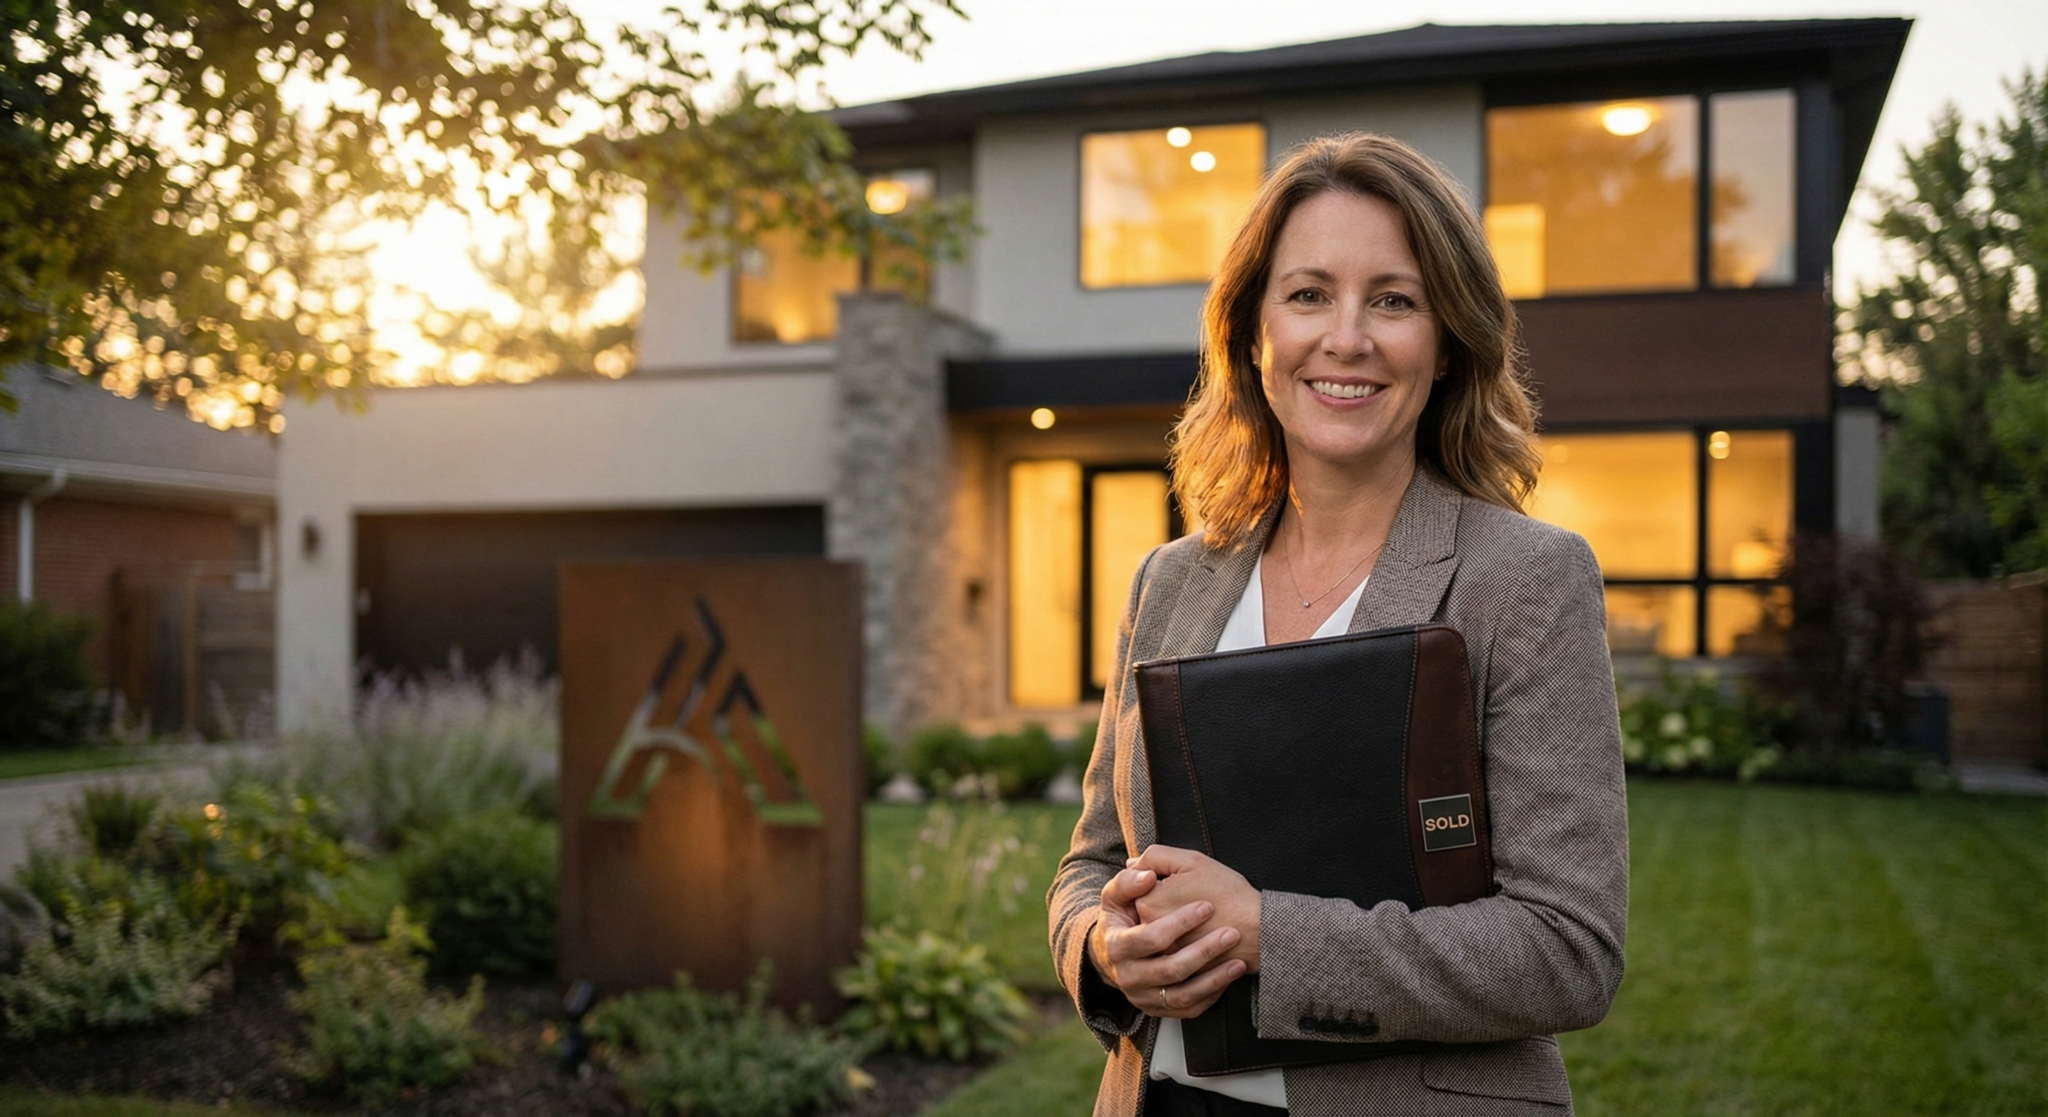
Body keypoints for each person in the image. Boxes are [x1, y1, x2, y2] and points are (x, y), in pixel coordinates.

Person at [1047, 132, 1629, 1117]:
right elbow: (1091, 863)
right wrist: (1104, 949)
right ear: (1250, 332)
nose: (1346, 337)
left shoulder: (1525, 580)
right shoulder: (1170, 581)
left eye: (1392, 300)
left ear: (1445, 341)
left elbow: (1566, 949)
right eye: (1307, 293)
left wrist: (1267, 934)